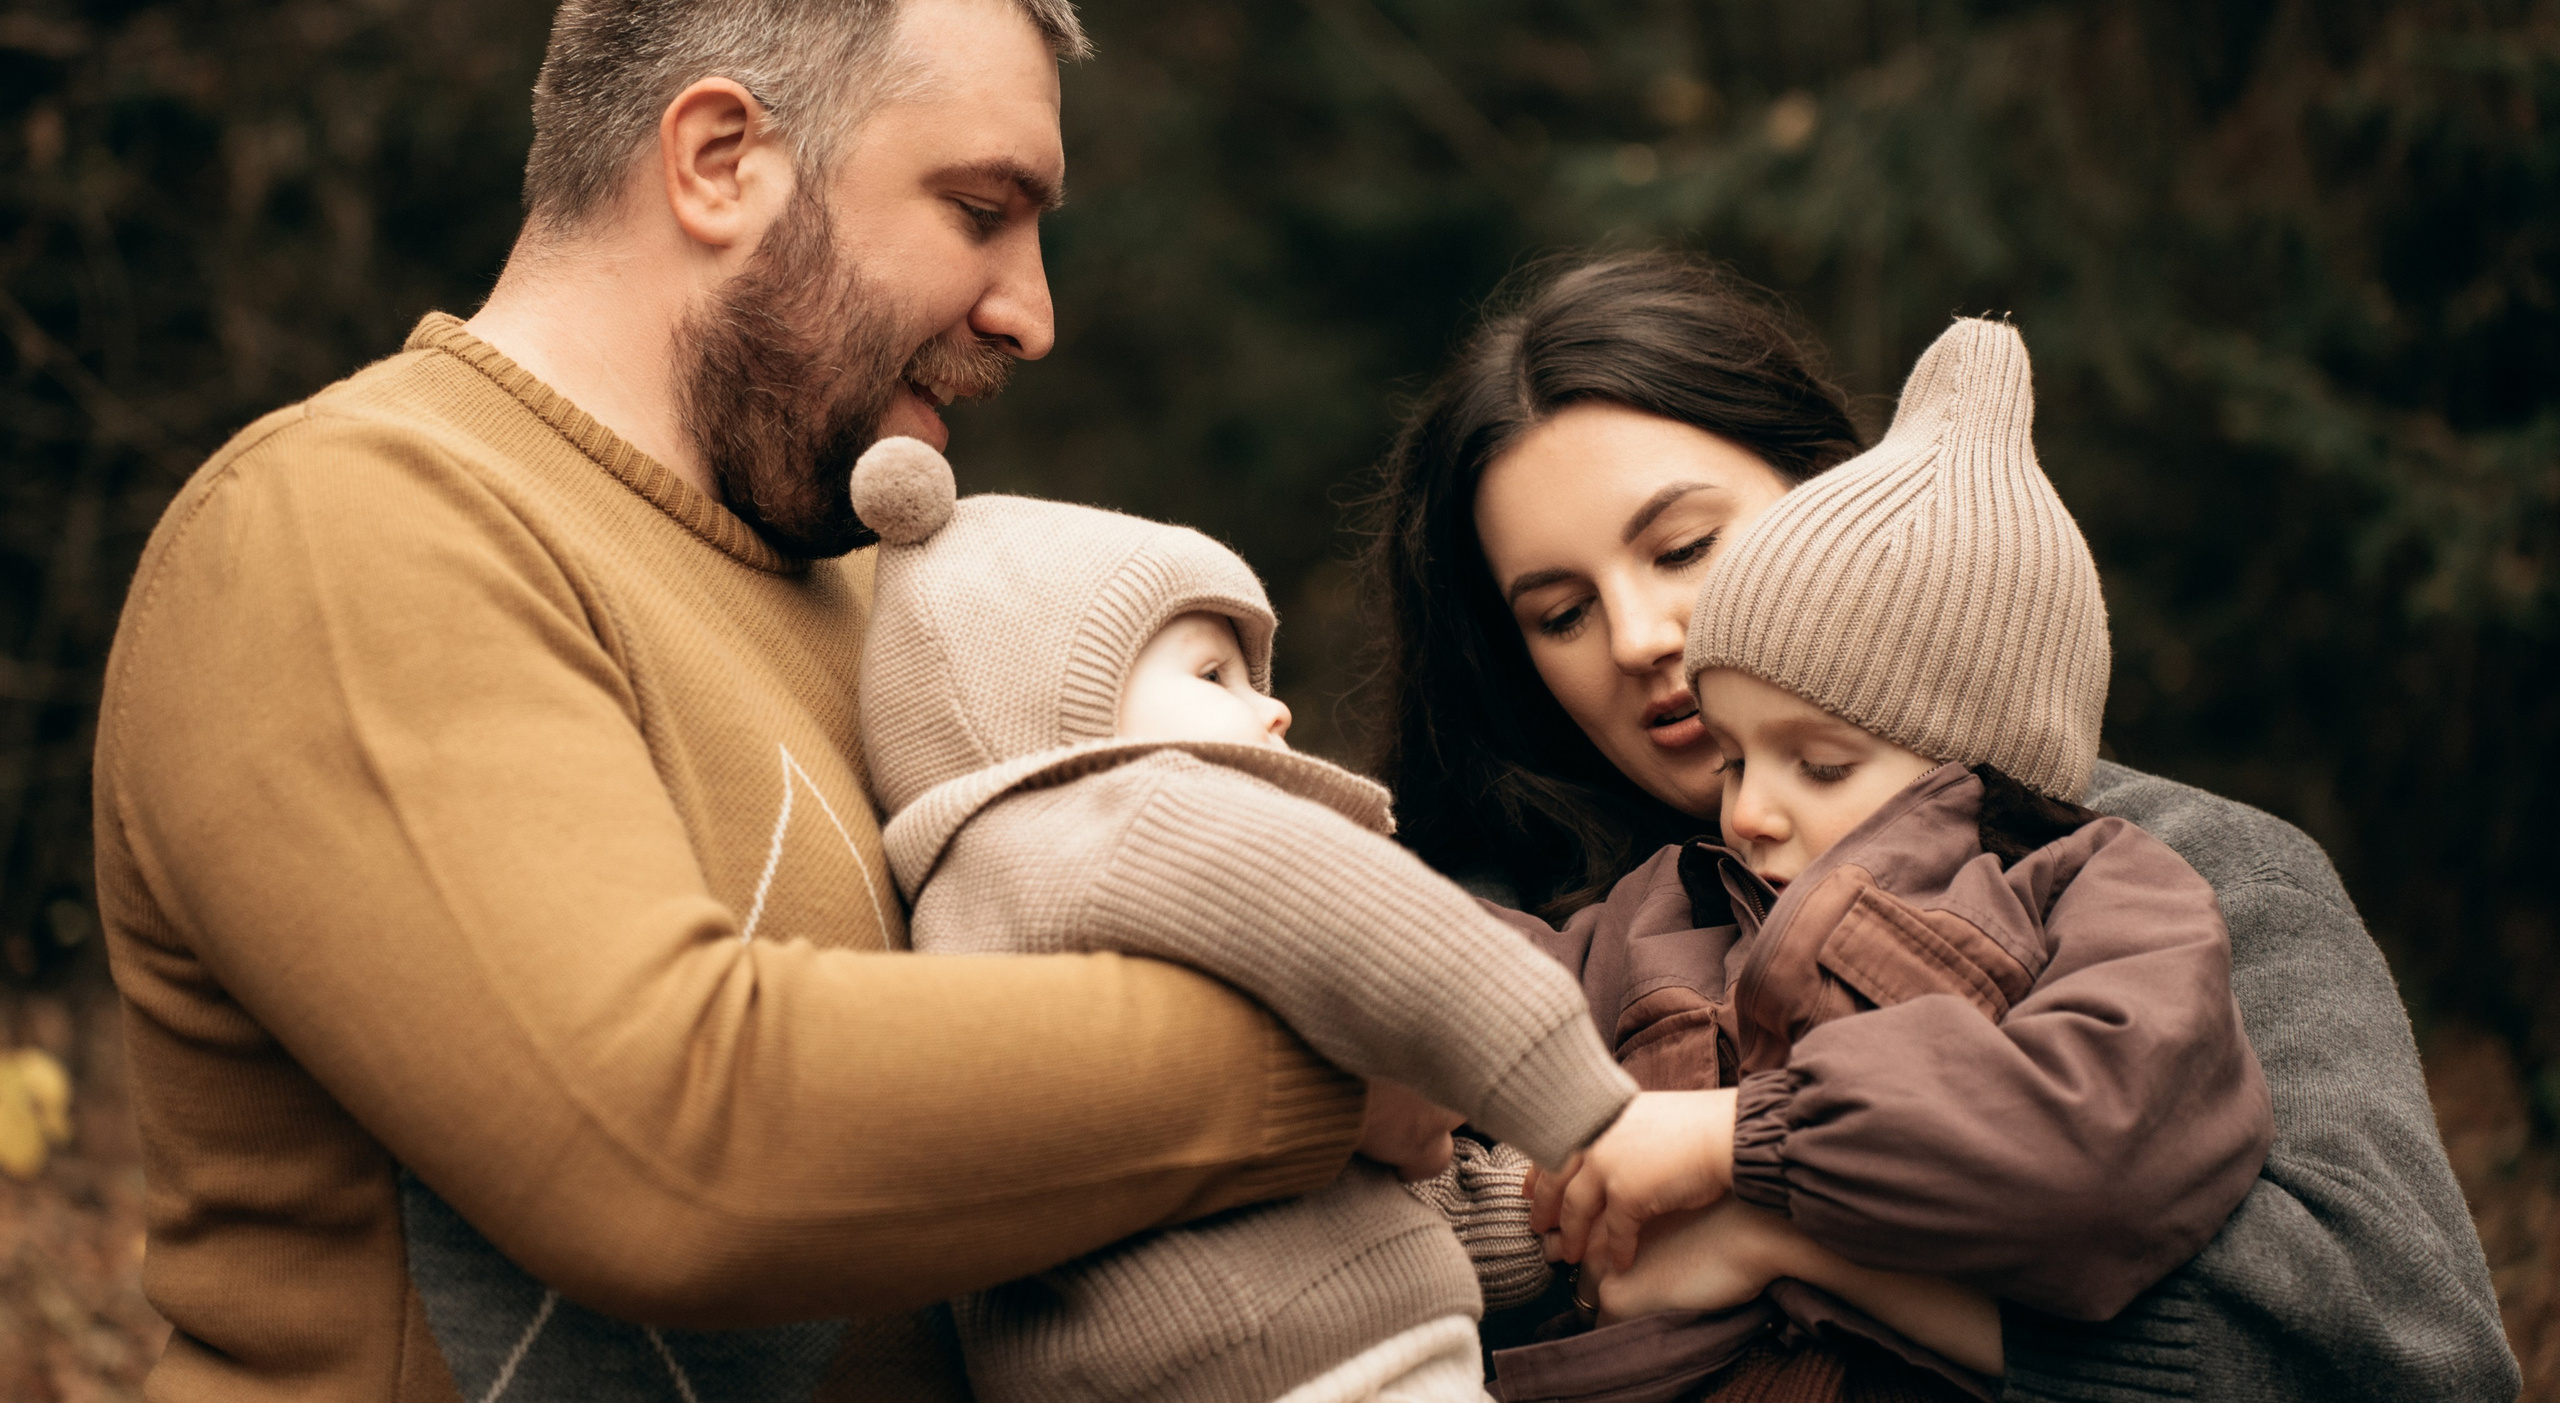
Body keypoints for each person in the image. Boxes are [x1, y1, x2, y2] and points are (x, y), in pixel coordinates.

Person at [90, 0, 1453, 1403]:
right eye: (979, 209)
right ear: (721, 157)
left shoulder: (886, 602)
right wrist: (1336, 1060)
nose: (1030, 309)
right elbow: (664, 1145)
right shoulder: (352, 524)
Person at [1361, 253, 2521, 1402]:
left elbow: (2412, 1357)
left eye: (1683, 548)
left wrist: (1793, 1240)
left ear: (1833, 501)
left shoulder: (2179, 872)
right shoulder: (1508, 916)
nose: (1635, 636)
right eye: (1560, 613)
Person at [1470, 317, 2275, 1400]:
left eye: (1820, 763)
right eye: (1735, 754)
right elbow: (1482, 977)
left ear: (1978, 757)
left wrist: (1739, 1145)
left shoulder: (2109, 890)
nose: (1749, 811)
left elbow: (2094, 1137)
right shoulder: (1672, 901)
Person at [845, 435, 1634, 1403]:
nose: (1274, 714)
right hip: (1307, 1362)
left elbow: (1311, 1194)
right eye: (1213, 676)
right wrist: (1596, 1121)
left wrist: (1532, 1216)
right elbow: (1384, 932)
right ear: (1061, 709)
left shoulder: (977, 917)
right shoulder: (1129, 811)